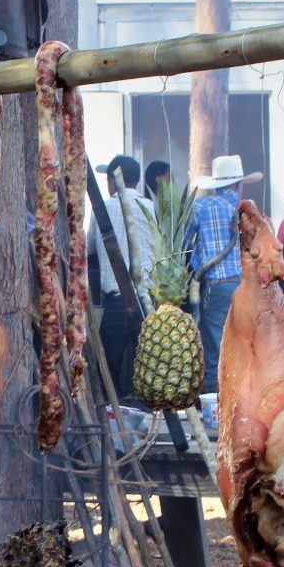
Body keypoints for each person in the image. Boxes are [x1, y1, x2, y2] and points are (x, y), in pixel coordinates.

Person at [185, 154, 263, 391]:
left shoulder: (201, 206)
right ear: (239, 185)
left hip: (216, 286)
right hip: (245, 287)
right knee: (242, 343)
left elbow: (182, 245)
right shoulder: (248, 211)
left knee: (214, 346)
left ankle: (214, 400)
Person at [90, 154, 155, 399]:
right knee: (147, 368)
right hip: (146, 300)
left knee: (111, 371)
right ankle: (149, 418)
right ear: (136, 181)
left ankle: (116, 416)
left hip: (115, 300)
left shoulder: (102, 208)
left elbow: (89, 249)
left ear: (111, 182)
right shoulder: (151, 208)